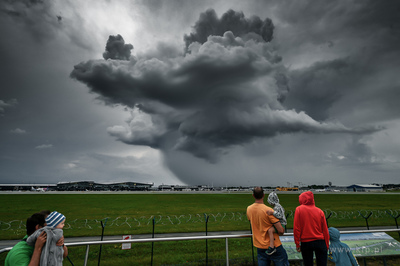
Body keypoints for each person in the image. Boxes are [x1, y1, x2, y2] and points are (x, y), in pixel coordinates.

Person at [247, 187, 289, 266]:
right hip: (274, 246)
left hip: (259, 246)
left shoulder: (249, 209)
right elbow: (281, 230)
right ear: (263, 195)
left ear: (253, 195)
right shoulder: (269, 210)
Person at [293, 191, 329, 266]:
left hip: (306, 242)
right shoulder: (320, 211)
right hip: (320, 241)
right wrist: (326, 244)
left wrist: (297, 244)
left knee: (308, 263)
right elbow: (325, 230)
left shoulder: (299, 209)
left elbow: (297, 228)